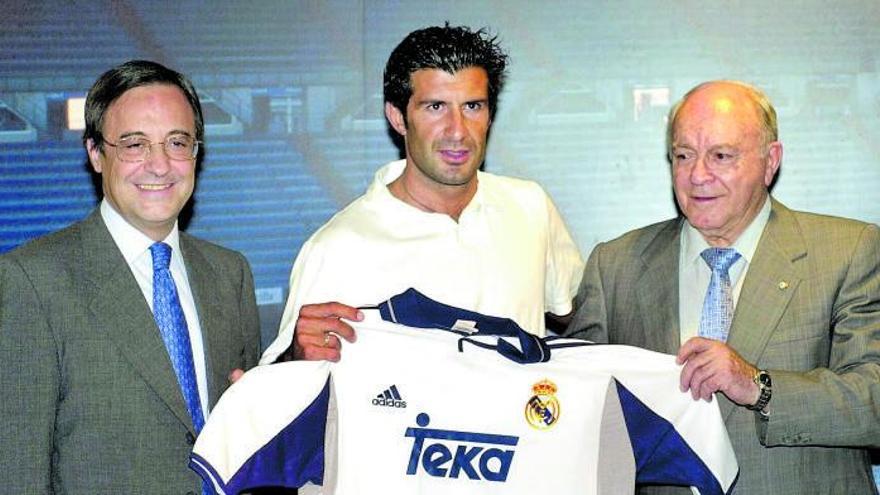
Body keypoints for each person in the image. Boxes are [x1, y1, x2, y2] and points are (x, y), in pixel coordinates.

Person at [565, 80, 880, 494]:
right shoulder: (615, 265)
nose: (697, 175)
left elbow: (873, 399)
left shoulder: (847, 251)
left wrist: (758, 386)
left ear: (770, 162)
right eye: (683, 155)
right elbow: (579, 412)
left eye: (721, 156)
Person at [0, 60, 261, 493]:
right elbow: (16, 472)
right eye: (134, 145)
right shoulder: (32, 281)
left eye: (177, 142)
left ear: (197, 152)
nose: (160, 165)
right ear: (96, 154)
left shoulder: (229, 273)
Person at [260, 24, 583, 364]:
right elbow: (290, 386)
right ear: (398, 117)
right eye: (435, 107)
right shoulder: (336, 248)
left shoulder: (530, 206)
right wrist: (294, 358)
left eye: (473, 106)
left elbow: (576, 316)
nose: (458, 130)